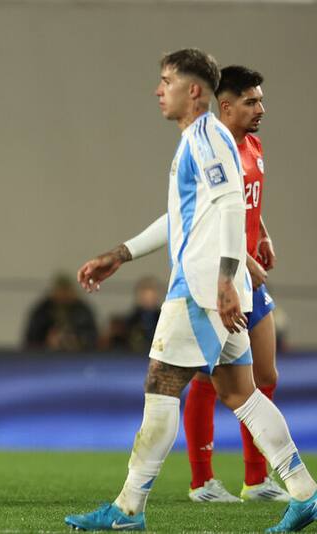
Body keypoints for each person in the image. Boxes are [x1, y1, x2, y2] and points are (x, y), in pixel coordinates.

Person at [65, 48, 317, 532]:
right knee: (241, 392)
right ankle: (304, 491)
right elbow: (184, 216)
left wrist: (222, 282)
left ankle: (127, 509)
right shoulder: (204, 139)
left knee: (161, 386)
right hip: (219, 284)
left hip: (201, 287)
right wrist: (121, 253)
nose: (159, 90)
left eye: (166, 81)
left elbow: (228, 208)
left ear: (194, 90)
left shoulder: (204, 136)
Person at [183, 65, 289, 503]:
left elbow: (245, 203)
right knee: (210, 380)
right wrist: (242, 258)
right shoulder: (212, 149)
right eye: (252, 101)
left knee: (265, 376)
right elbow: (206, 215)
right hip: (220, 277)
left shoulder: (255, 145)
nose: (261, 109)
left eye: (261, 100)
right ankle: (202, 481)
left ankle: (255, 480)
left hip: (248, 280)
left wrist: (261, 231)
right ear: (225, 106)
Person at [23, 273, 97, 352]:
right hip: (46, 357)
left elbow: (93, 337)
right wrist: (46, 341)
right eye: (60, 290)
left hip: (79, 356)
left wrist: (78, 340)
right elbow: (30, 339)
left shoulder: (83, 311)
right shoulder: (42, 311)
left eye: (66, 290)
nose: (63, 295)